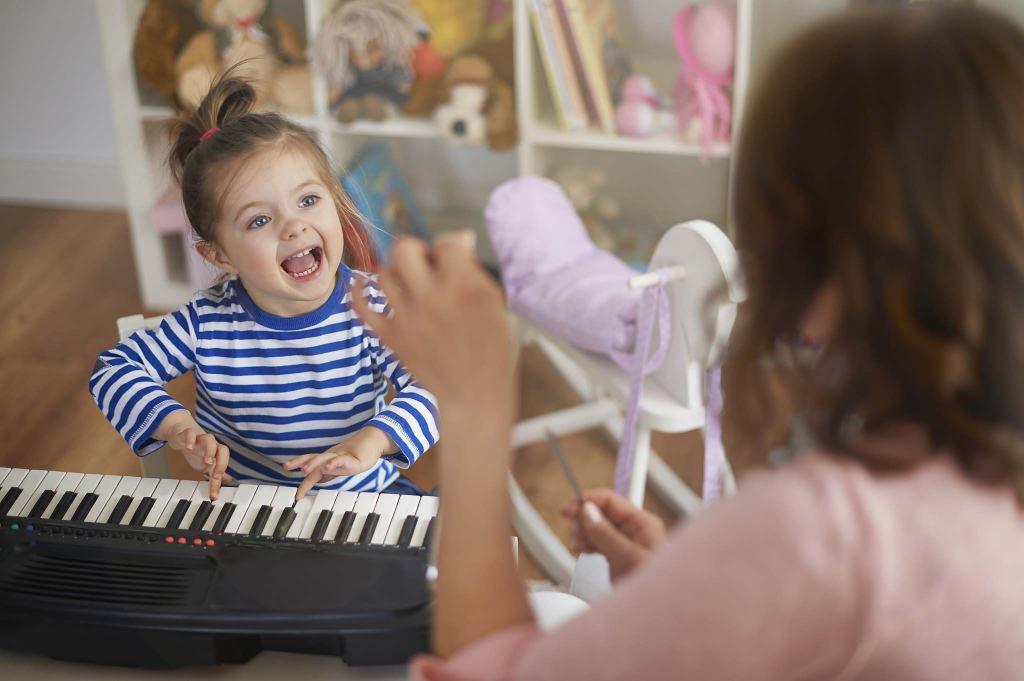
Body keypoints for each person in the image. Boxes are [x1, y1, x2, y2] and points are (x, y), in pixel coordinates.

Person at [350, 4, 1024, 679]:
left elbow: (493, 669)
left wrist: (474, 406)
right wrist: (687, 583)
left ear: (808, 259)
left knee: (553, 611)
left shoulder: (826, 533)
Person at [90, 71, 438, 501]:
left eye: (308, 200)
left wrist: (371, 442)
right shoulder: (207, 322)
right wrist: (176, 426)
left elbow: (435, 384)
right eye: (259, 220)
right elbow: (112, 370)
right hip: (247, 512)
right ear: (219, 256)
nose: (293, 226)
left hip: (367, 501)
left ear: (335, 200)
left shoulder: (372, 305)